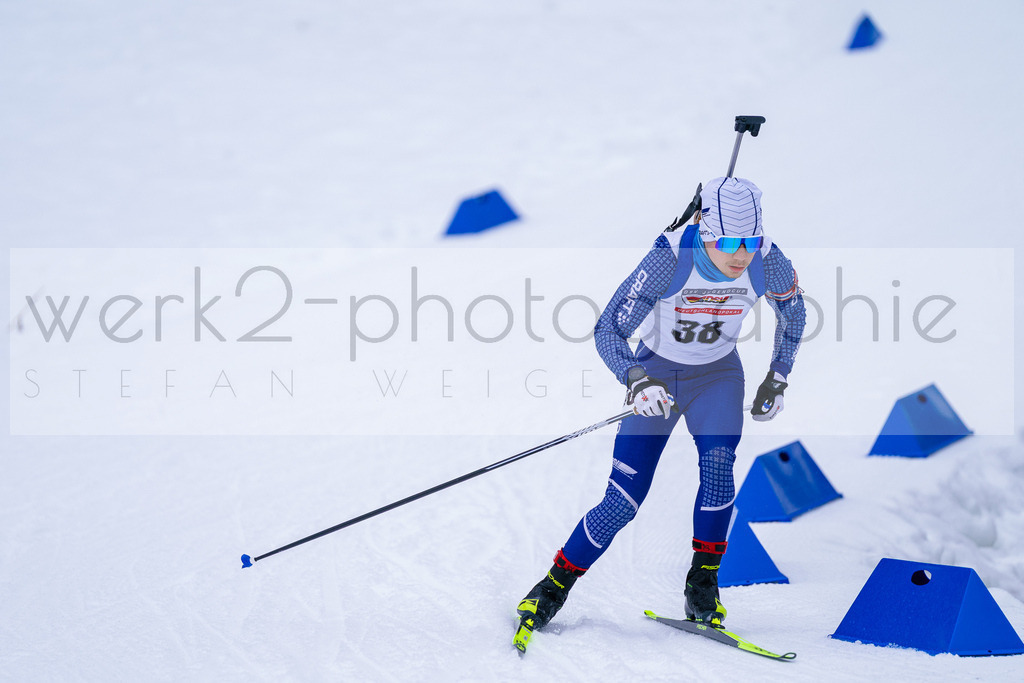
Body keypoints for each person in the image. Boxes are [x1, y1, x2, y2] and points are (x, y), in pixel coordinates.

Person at [516, 176, 806, 639]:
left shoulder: (767, 260)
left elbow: (795, 314)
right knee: (622, 502)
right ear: (705, 231)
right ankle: (551, 587)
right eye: (728, 241)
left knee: (717, 469)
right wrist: (636, 380)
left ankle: (702, 588)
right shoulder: (668, 258)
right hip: (658, 378)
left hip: (718, 378)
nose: (741, 254)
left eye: (750, 240)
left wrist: (778, 375)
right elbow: (609, 329)